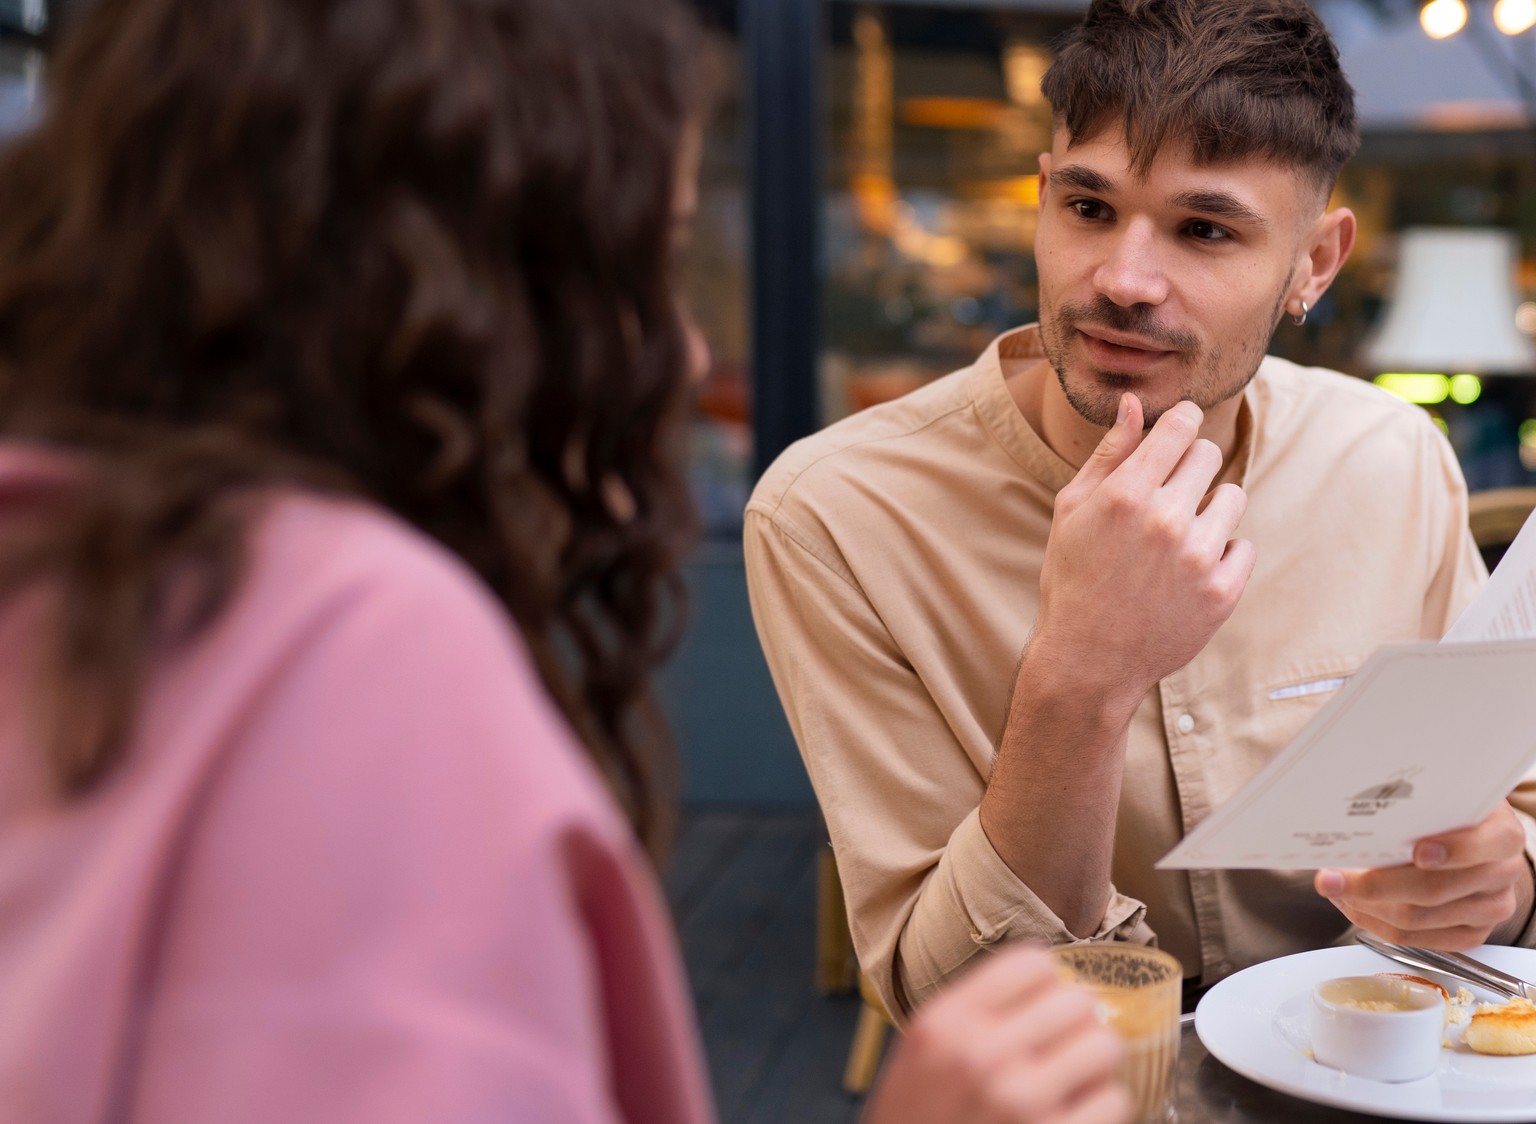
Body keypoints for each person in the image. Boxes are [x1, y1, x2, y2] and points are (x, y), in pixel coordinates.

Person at [0, 0, 1129, 1121]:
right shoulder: (361, 665)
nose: (686, 349)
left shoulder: (83, 577)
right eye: (645, 261)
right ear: (452, 294)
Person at [745, 0, 1536, 1024]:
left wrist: (1491, 881)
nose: (1124, 280)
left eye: (1204, 229)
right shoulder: (837, 514)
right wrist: (1080, 674)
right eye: (1087, 207)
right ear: (1041, 198)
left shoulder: (1386, 457)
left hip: (1379, 1022)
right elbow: (952, 998)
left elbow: (1515, 845)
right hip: (1099, 1059)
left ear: (1314, 264)